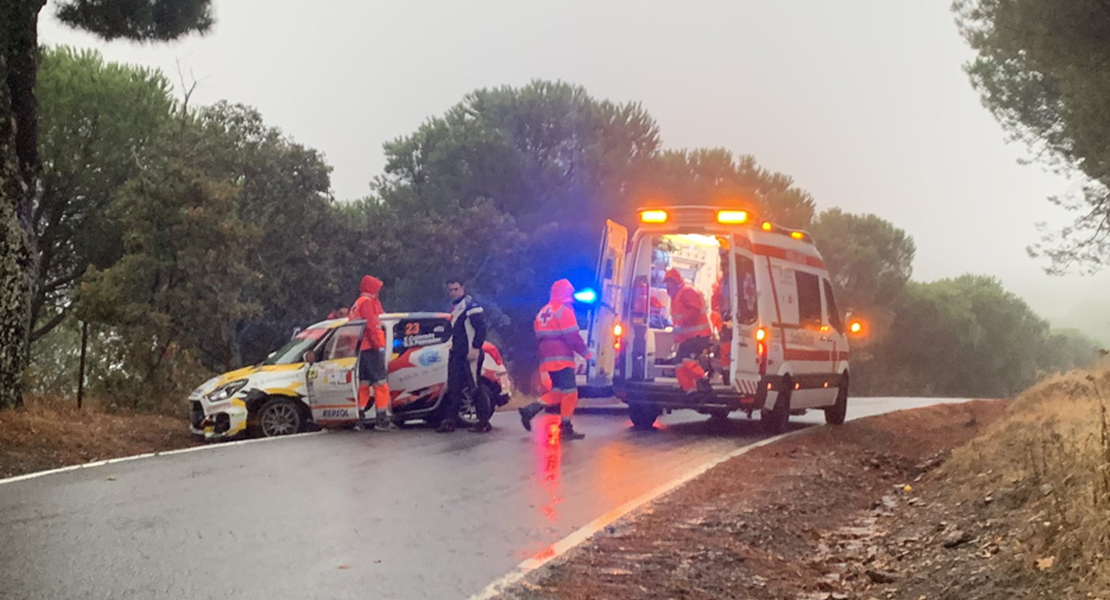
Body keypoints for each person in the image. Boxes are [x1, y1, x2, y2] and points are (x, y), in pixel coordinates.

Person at [518, 279, 592, 440]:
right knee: (571, 393)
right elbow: (573, 336)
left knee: (558, 391)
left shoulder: (543, 311)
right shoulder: (564, 311)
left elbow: (538, 336)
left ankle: (530, 410)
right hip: (562, 358)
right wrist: (586, 354)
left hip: (548, 358)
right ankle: (566, 427)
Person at [438, 278, 492, 433]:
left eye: (456, 289)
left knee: (475, 386)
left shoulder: (471, 306)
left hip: (470, 354)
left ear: (463, 288)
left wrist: (475, 348)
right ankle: (450, 421)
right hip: (457, 353)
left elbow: (481, 328)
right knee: (454, 387)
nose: (453, 293)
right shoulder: (455, 308)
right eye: (451, 290)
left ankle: (483, 422)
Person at [349, 275, 395, 431]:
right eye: (377, 288)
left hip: (361, 349)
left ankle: (360, 417)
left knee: (364, 384)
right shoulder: (367, 303)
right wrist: (378, 346)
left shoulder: (358, 303)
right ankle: (382, 419)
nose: (379, 291)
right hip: (372, 348)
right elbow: (372, 326)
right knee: (381, 383)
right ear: (372, 289)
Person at [664, 268, 715, 399]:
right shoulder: (676, 296)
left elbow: (694, 311)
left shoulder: (687, 291)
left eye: (669, 283)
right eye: (666, 283)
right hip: (689, 338)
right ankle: (690, 391)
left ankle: (703, 379)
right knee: (679, 362)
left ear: (675, 282)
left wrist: (680, 325)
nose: (667, 287)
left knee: (685, 359)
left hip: (699, 335)